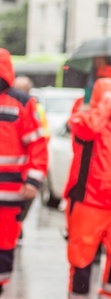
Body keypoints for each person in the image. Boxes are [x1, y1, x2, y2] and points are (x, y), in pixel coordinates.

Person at [63, 77, 111, 299]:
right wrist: (105, 104)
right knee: (82, 257)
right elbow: (88, 128)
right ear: (104, 99)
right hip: (87, 201)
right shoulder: (83, 119)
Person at [0, 49, 48, 299]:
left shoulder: (22, 103)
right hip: (11, 192)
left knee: (5, 248)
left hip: (10, 194)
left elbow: (37, 145)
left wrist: (32, 180)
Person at [11, 75, 49, 247]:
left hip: (26, 168)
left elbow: (42, 138)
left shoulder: (34, 108)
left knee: (20, 208)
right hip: (15, 168)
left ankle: (17, 228)